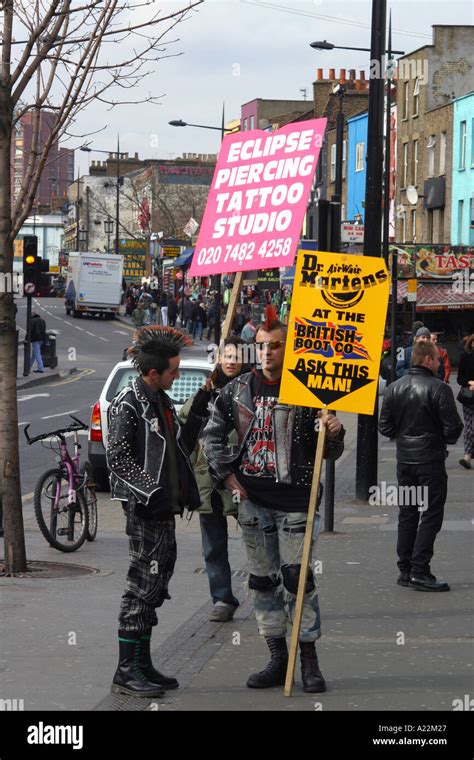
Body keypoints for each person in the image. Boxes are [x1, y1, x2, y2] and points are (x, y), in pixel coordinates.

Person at [201, 320, 345, 692]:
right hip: (253, 502)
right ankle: (278, 659)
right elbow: (210, 435)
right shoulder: (237, 389)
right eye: (261, 346)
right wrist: (226, 476)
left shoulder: (310, 391)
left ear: (288, 348)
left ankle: (308, 659)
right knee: (263, 582)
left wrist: (334, 432)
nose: (267, 353)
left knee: (299, 581)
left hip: (297, 500)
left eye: (275, 345)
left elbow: (329, 452)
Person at [107, 326, 212, 697]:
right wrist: (150, 492)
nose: (177, 375)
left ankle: (143, 662)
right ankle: (126, 670)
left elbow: (181, 446)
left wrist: (199, 406)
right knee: (140, 586)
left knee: (156, 584)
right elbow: (117, 458)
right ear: (153, 373)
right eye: (173, 370)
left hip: (165, 509)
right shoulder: (129, 402)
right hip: (145, 511)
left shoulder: (162, 401)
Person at [379, 340, 463, 592]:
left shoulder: (394, 388)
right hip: (430, 461)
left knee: (408, 513)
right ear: (427, 360)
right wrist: (439, 436)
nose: (439, 363)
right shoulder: (439, 389)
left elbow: (385, 427)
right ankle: (420, 570)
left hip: (405, 461)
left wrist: (403, 435)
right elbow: (453, 429)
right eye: (437, 359)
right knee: (431, 514)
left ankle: (405, 569)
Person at [179, 337, 248, 622]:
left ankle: (269, 591)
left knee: (259, 537)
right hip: (208, 479)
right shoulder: (207, 389)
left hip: (243, 478)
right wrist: (199, 401)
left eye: (236, 356)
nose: (231, 361)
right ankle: (222, 598)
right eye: (226, 356)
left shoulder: (251, 389)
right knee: (213, 544)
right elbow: (186, 423)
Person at [457, 333, 474, 469]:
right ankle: (467, 456)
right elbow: (459, 379)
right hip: (469, 396)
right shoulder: (465, 357)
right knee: (469, 428)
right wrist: (469, 382)